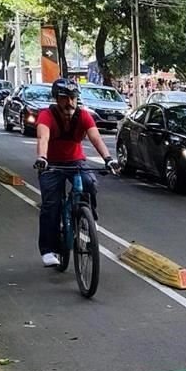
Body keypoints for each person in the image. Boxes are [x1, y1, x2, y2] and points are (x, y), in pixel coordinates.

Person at [33, 78, 120, 267]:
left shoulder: (83, 115)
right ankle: (49, 250)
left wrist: (108, 159)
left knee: (89, 183)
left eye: (73, 97)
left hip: (76, 161)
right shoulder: (46, 115)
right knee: (51, 204)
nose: (70, 102)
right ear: (57, 98)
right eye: (65, 98)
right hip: (50, 164)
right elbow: (43, 137)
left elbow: (96, 137)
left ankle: (88, 218)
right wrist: (42, 158)